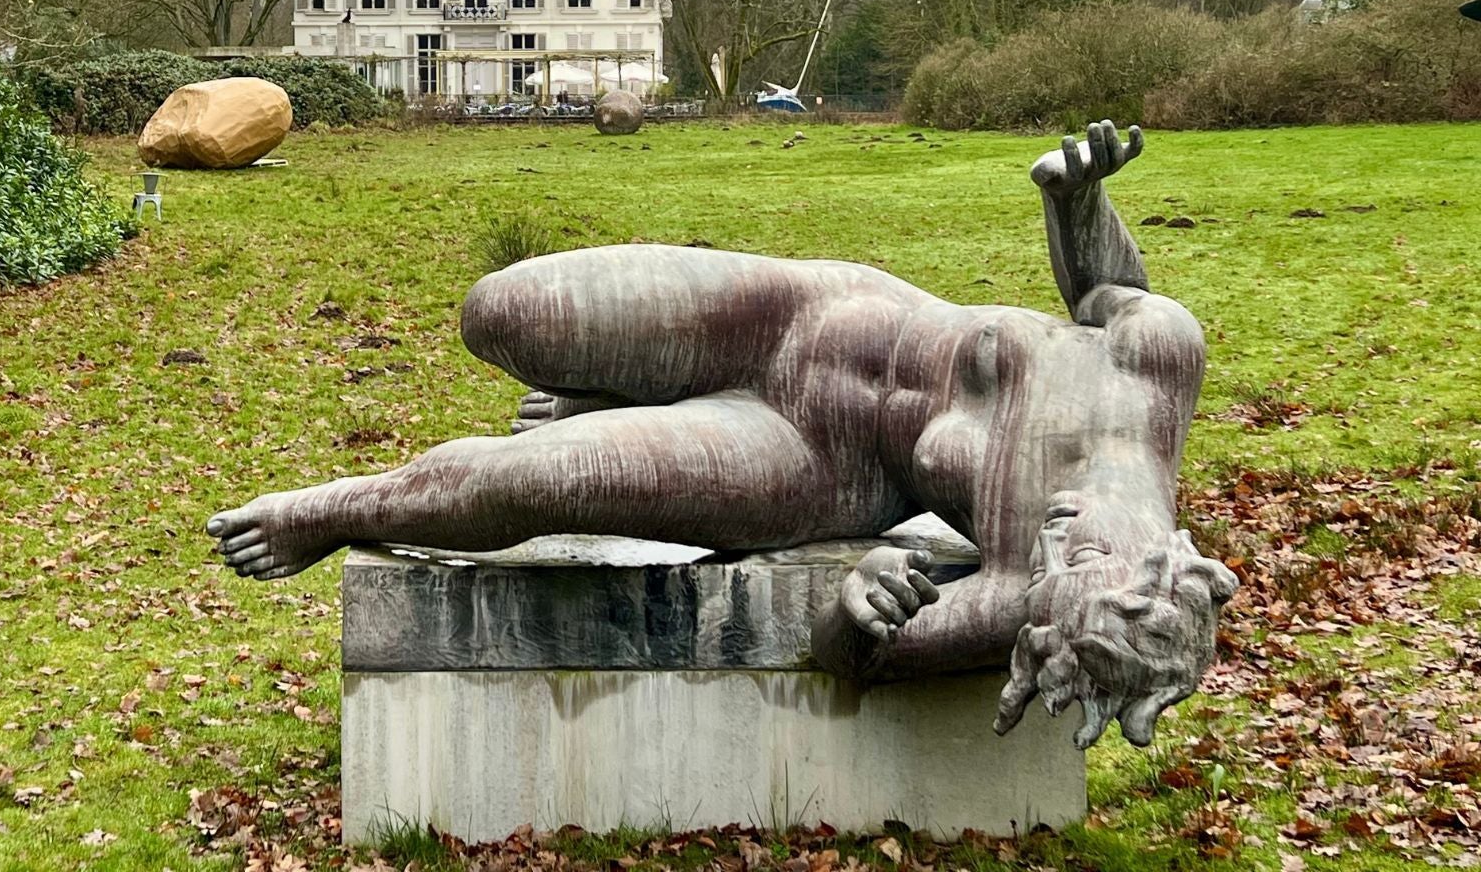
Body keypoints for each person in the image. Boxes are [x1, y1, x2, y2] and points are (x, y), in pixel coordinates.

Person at [208, 122, 1236, 748]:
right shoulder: (1157, 364)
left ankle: (330, 510)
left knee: (535, 482)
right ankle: (609, 399)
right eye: (1083, 551)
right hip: (813, 309)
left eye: (1057, 572)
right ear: (1156, 556)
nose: (1055, 545)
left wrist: (862, 610)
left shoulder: (1025, 594)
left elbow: (852, 661)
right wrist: (1076, 199)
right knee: (502, 312)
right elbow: (1107, 288)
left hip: (807, 464)